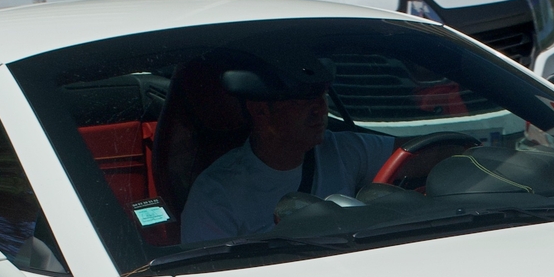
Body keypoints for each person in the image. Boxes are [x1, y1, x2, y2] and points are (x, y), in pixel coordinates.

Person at [178, 49, 460, 243]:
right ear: (261, 111)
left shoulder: (342, 150)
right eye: (302, 102)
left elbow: (426, 155)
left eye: (322, 98)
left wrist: (483, 163)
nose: (320, 111)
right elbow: (208, 275)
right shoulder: (216, 194)